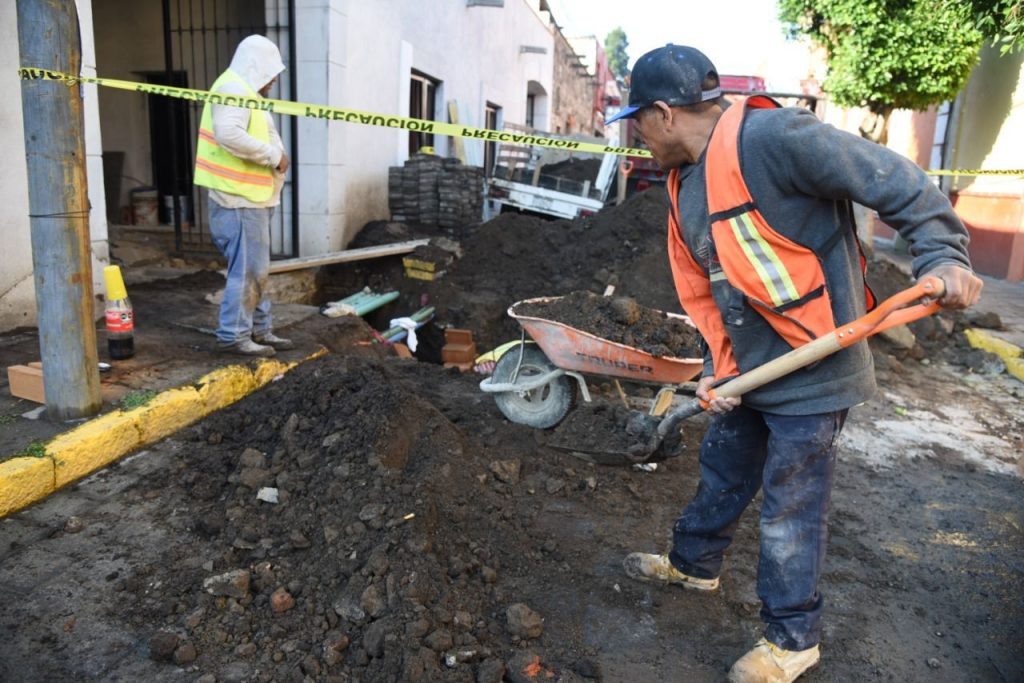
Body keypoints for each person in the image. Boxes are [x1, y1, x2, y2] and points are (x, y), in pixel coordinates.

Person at [606, 45, 983, 682]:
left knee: (791, 504)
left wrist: (944, 255)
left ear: (665, 114)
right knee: (722, 466)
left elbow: (891, 177)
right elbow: (715, 287)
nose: (633, 135)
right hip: (752, 366)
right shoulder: (687, 180)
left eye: (636, 121)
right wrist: (719, 369)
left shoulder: (777, 137)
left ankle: (792, 639)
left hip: (817, 361)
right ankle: (694, 565)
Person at [194, 35, 294, 357]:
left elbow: (264, 131)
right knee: (248, 270)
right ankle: (234, 335)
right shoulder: (232, 89)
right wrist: (271, 155)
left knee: (257, 269)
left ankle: (260, 331)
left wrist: (278, 155)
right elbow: (228, 134)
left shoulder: (246, 91)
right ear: (257, 66)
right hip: (238, 200)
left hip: (253, 197)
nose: (275, 79)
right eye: (272, 72)